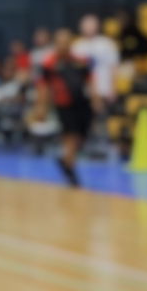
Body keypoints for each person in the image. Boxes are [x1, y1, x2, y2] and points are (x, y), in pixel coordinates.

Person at [39, 27, 93, 188]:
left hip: (82, 104)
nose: (64, 45)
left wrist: (96, 99)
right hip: (63, 105)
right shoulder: (49, 64)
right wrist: (42, 107)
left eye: (67, 41)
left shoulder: (80, 61)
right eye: (60, 42)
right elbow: (44, 87)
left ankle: (65, 161)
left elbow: (90, 80)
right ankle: (71, 171)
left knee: (81, 137)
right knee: (70, 137)